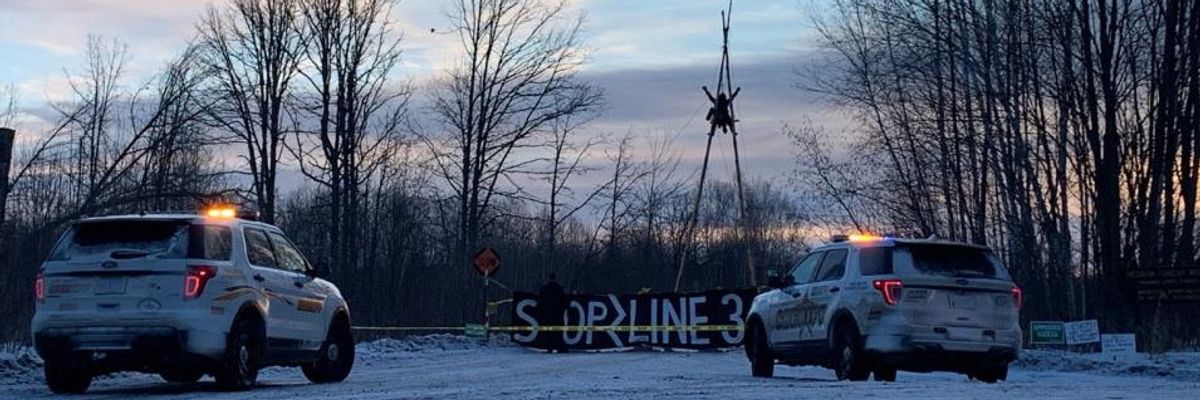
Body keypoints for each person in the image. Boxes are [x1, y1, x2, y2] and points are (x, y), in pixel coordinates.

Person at [538, 273, 569, 353]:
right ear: (555, 278)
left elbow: (540, 300)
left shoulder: (544, 289)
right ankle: (560, 347)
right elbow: (565, 301)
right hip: (558, 314)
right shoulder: (560, 289)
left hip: (547, 314)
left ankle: (549, 347)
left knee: (548, 331)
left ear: (549, 278)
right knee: (558, 332)